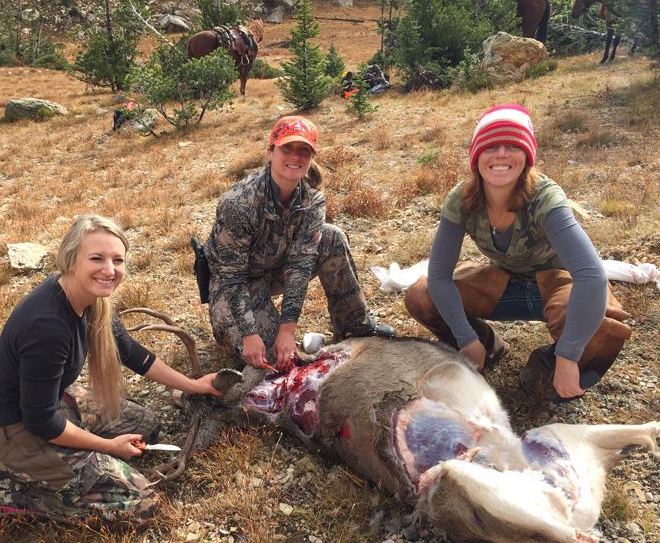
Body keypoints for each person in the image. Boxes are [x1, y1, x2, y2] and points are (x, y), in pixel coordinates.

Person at [0, 214, 221, 526]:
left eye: (117, 260)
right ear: (71, 259)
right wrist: (108, 447)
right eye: (97, 258)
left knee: (146, 426)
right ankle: (7, 489)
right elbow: (41, 422)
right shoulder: (47, 326)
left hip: (54, 406)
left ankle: (80, 463)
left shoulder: (91, 299)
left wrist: (194, 385)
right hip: (19, 434)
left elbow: (133, 354)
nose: (109, 270)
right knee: (142, 503)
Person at [404, 104, 632, 402]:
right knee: (421, 295)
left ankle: (548, 365)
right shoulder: (461, 199)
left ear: (527, 155)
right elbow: (438, 275)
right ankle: (487, 347)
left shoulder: (546, 198)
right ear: (476, 157)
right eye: (490, 147)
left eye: (512, 145)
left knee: (593, 334)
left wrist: (568, 355)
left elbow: (591, 277)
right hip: (504, 282)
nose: (501, 154)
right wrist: (466, 337)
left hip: (558, 285)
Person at [204, 116, 394, 373]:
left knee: (332, 236)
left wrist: (288, 329)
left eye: (304, 150)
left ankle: (355, 327)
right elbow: (231, 276)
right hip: (237, 282)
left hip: (277, 266)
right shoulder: (238, 203)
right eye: (287, 148)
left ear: (311, 158)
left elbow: (301, 264)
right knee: (272, 361)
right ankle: (231, 327)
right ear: (270, 152)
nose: (295, 156)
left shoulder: (312, 200)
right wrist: (249, 333)